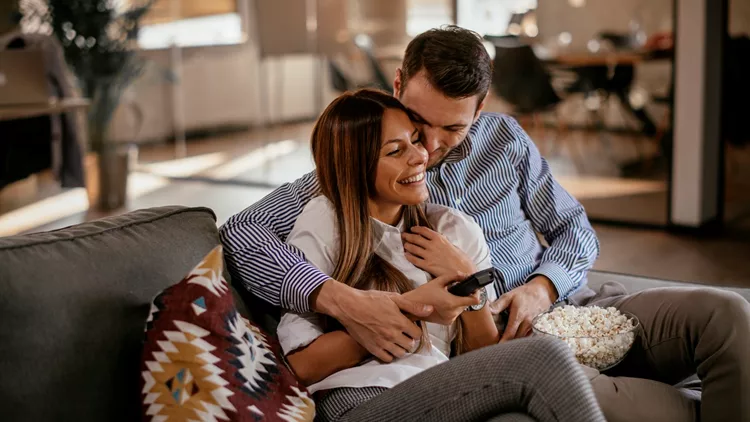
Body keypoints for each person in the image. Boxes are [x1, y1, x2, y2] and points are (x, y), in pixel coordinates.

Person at [221, 26, 750, 421]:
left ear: (482, 107)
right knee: (678, 410)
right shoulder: (361, 172)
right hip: (503, 352)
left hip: (574, 309)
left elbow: (574, 229)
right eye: (417, 122)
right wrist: (342, 300)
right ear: (399, 84)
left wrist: (542, 289)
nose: (425, 149)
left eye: (450, 128)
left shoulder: (506, 141)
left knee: (729, 313)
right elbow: (241, 232)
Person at [275, 88, 604, 422]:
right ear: (355, 166)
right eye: (395, 151)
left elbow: (483, 351)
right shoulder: (325, 221)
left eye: (415, 141)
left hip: (441, 388)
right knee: (544, 356)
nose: (421, 156)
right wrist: (413, 309)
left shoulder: (454, 228)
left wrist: (470, 283)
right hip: (360, 399)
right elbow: (302, 367)